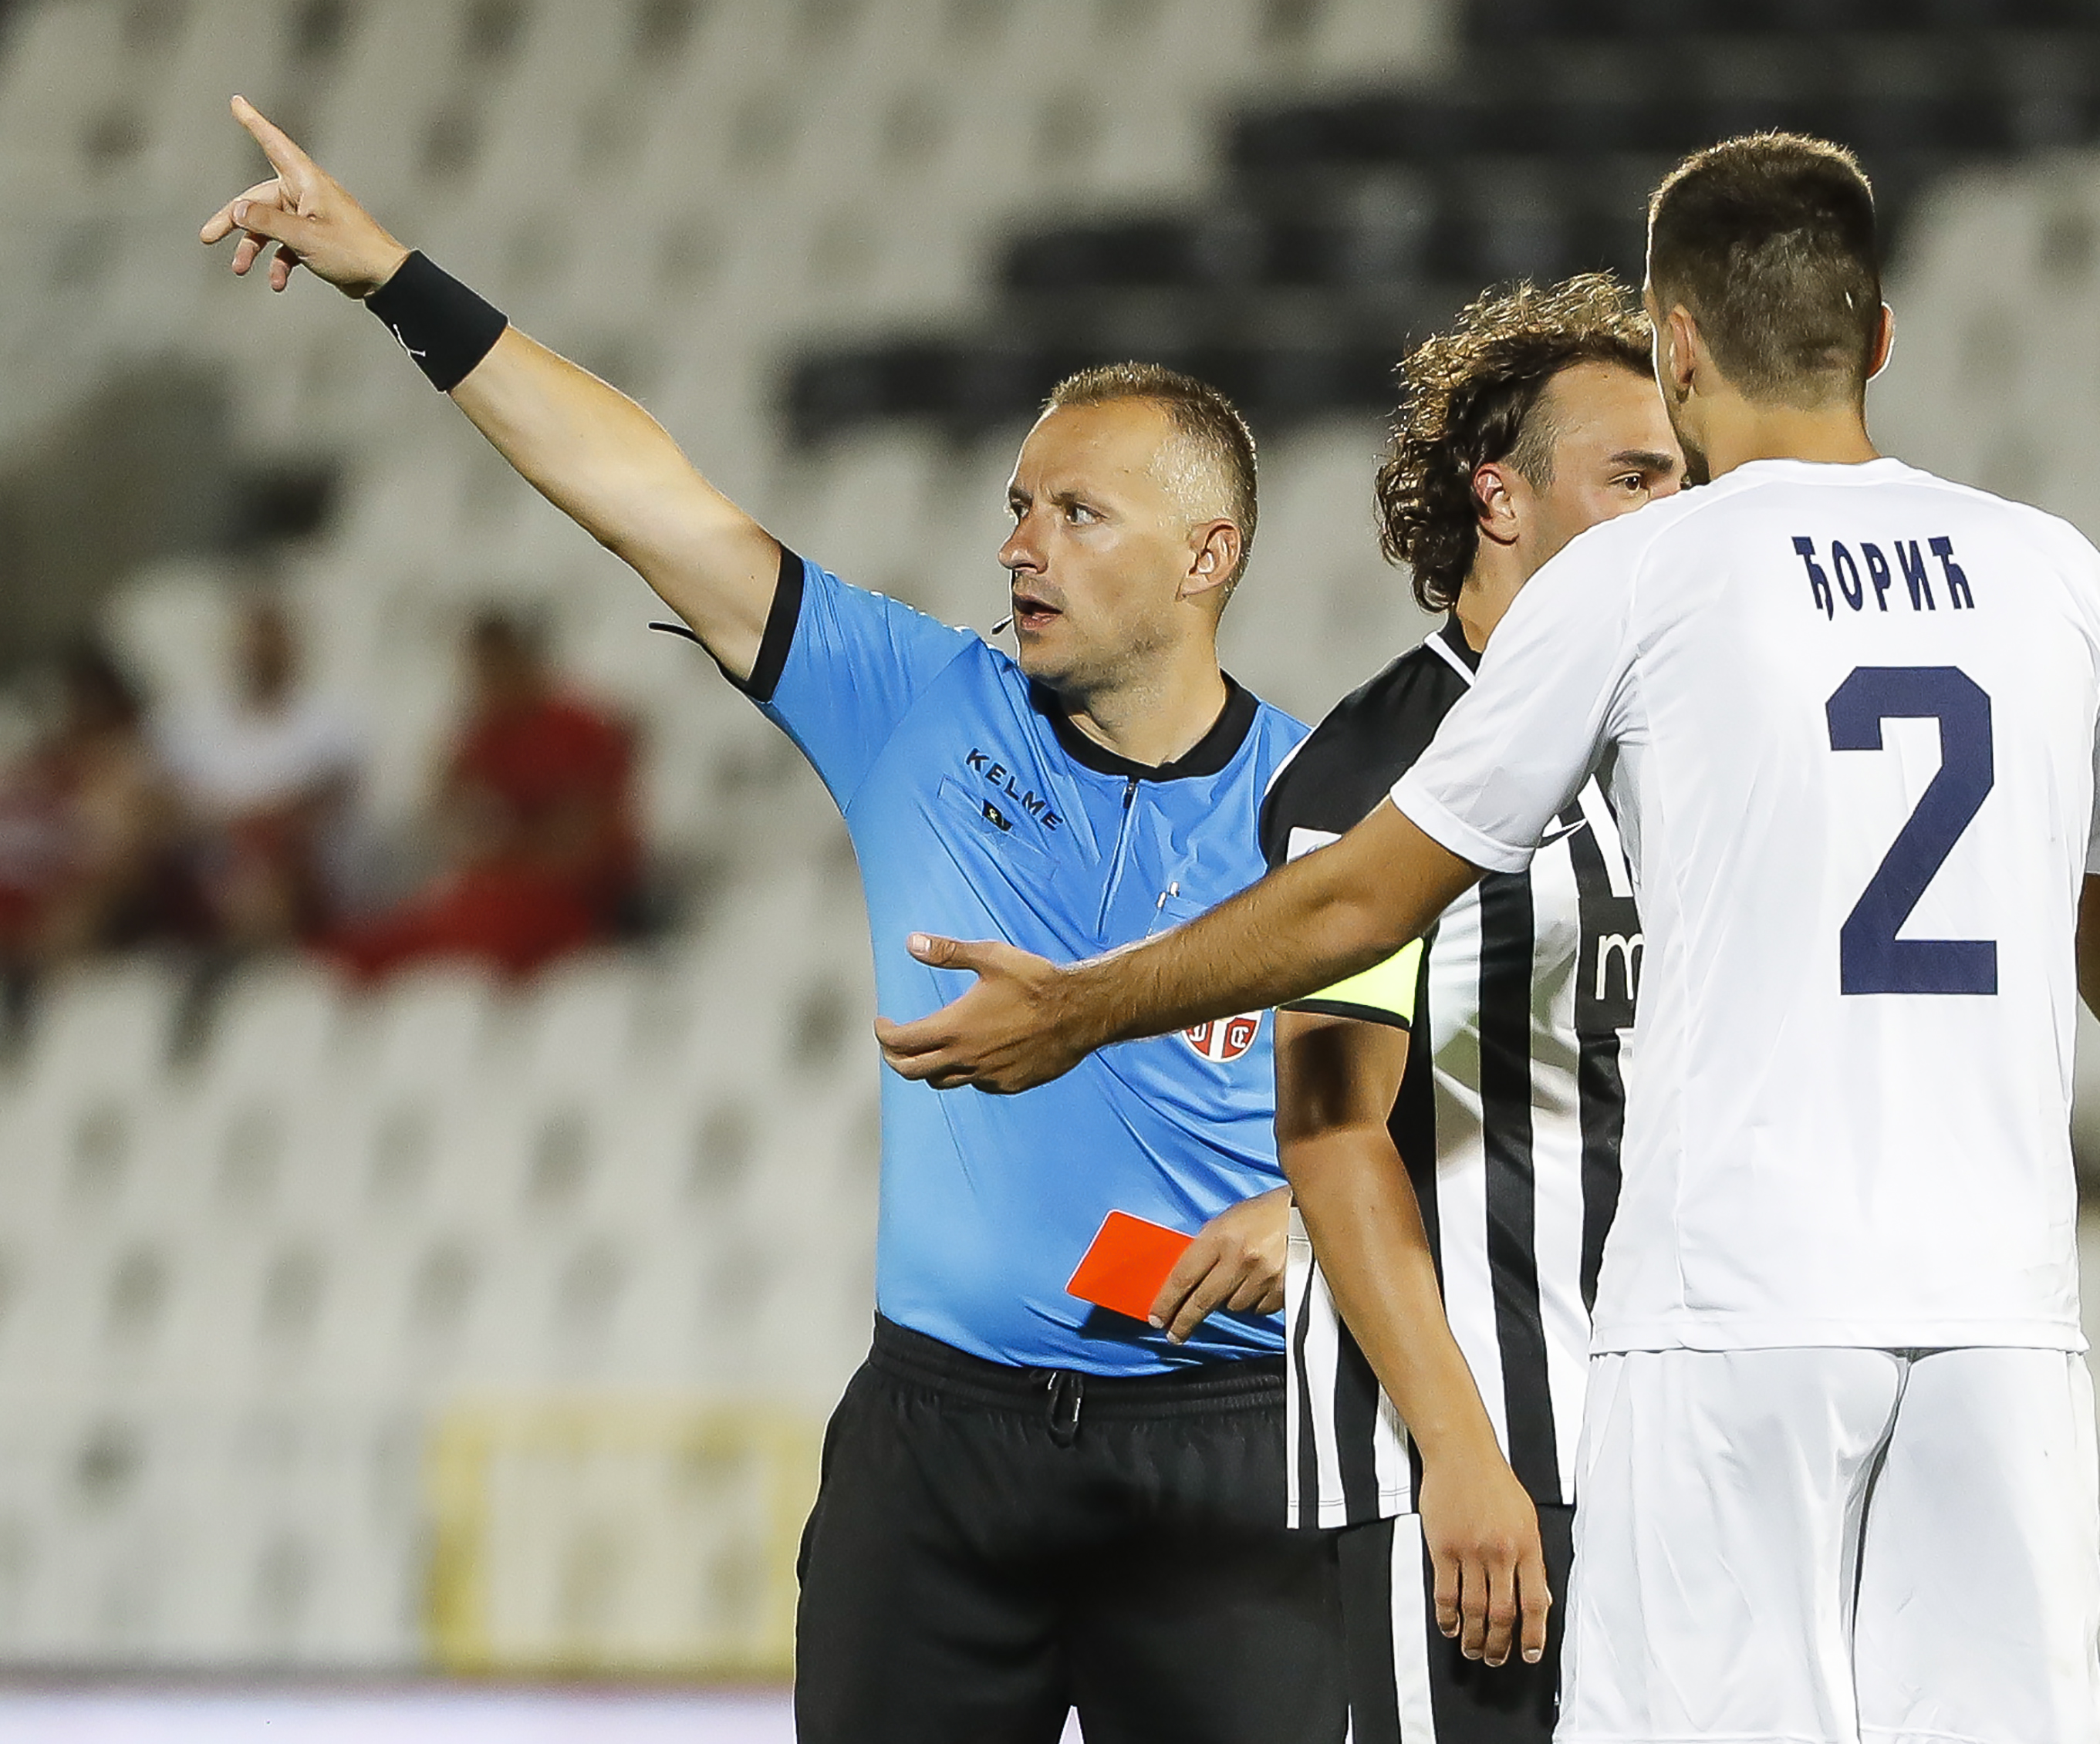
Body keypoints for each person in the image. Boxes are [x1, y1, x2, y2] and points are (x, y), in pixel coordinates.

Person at [878, 133, 2100, 1744]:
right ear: (1877, 335)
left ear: (1675, 343)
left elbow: (1360, 900)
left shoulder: (1649, 580)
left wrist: (1085, 1007)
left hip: (1728, 1321)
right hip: (1995, 1311)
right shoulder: (2050, 571)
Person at [202, 97, 1342, 1742]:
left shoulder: (1331, 811)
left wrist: (1307, 1232)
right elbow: (643, 494)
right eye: (1016, 505)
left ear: (1205, 553)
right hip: (937, 1456)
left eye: (1076, 515)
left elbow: (1464, 1121)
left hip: (1228, 1455)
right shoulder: (914, 703)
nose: (1018, 546)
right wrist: (392, 277)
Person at [1262, 276, 1679, 1738]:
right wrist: (1461, 1449)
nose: (1674, 508)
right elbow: (1329, 1129)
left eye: (1686, 476)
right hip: (1478, 1448)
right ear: (1499, 498)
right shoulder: (1366, 775)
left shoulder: (1677, 745)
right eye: (1634, 475)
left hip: (1669, 1440)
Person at [329, 608, 639, 980]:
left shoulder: (580, 728)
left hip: (577, 897)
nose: (487, 682)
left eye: (495, 668)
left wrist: (505, 851)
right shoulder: (485, 730)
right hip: (507, 885)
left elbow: (586, 840)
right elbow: (440, 801)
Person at [164, 592, 363, 949]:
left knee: (267, 854)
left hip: (290, 869)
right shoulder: (195, 727)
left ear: (290, 648)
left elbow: (325, 798)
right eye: (252, 640)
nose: (259, 651)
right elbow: (168, 801)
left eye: (270, 640)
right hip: (205, 863)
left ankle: (246, 958)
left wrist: (250, 822)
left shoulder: (328, 722)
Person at [0, 643, 172, 978]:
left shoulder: (126, 771)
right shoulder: (33, 766)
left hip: (54, 913)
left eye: (94, 703)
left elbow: (123, 864)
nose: (82, 713)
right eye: (78, 702)